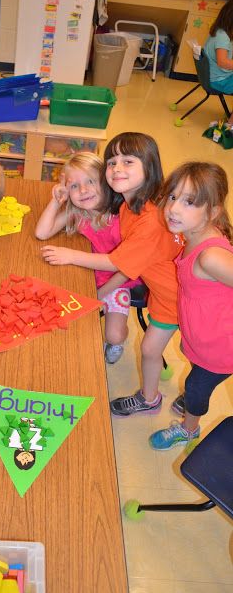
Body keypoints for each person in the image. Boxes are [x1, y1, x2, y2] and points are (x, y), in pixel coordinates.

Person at [42, 133, 183, 416]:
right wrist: (59, 198)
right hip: (158, 291)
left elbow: (119, 263)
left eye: (128, 161)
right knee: (154, 351)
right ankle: (165, 397)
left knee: (178, 353)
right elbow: (43, 232)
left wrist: (74, 261)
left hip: (173, 300)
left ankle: (172, 400)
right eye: (112, 162)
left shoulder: (143, 217)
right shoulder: (129, 203)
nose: (118, 169)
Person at [149, 162, 233, 450]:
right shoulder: (195, 235)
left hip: (221, 343)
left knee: (197, 386)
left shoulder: (210, 256)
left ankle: (189, 428)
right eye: (173, 197)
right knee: (200, 379)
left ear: (213, 212)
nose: (174, 208)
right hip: (206, 336)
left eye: (189, 202)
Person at [36, 151, 140, 364]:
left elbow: (125, 268)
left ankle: (117, 342)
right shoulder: (78, 211)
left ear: (106, 181)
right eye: (74, 186)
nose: (83, 191)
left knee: (114, 334)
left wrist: (100, 294)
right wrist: (57, 201)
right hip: (86, 273)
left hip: (118, 281)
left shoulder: (121, 216)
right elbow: (42, 233)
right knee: (65, 326)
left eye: (90, 182)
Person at [203, 0, 233, 126]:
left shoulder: (219, 30)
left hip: (214, 76)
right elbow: (223, 62)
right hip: (218, 80)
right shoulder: (223, 37)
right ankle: (230, 125)